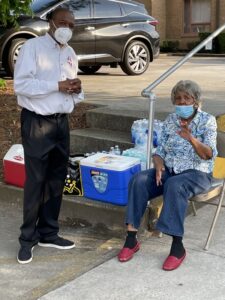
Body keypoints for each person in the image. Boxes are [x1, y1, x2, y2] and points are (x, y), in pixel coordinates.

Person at [118, 80, 217, 270]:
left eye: (186, 98)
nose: (181, 102)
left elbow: (208, 154)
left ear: (195, 101)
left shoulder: (207, 120)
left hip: (198, 174)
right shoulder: (171, 120)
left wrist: (191, 138)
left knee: (175, 185)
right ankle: (131, 239)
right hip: (169, 171)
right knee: (138, 180)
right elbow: (159, 150)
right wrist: (158, 165)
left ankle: (177, 247)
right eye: (178, 99)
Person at [14, 7, 84, 264]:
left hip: (60, 123)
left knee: (56, 179)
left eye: (71, 25)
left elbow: (72, 89)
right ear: (51, 23)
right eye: (62, 22)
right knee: (36, 181)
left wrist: (76, 89)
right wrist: (57, 85)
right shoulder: (32, 48)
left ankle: (48, 232)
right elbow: (21, 85)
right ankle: (27, 239)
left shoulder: (70, 53)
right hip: (37, 122)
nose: (67, 27)